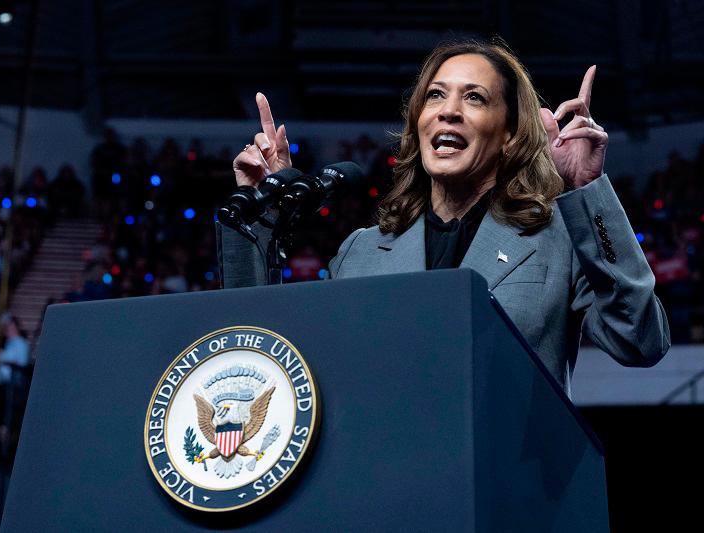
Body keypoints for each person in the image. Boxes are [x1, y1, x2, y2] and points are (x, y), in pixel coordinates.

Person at [218, 39, 670, 394]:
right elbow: (262, 358)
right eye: (435, 95)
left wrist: (587, 190)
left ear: (510, 135)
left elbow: (640, 341)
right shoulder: (361, 252)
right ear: (419, 121)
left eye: (474, 98)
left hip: (506, 498)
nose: (448, 110)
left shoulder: (558, 240)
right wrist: (260, 220)